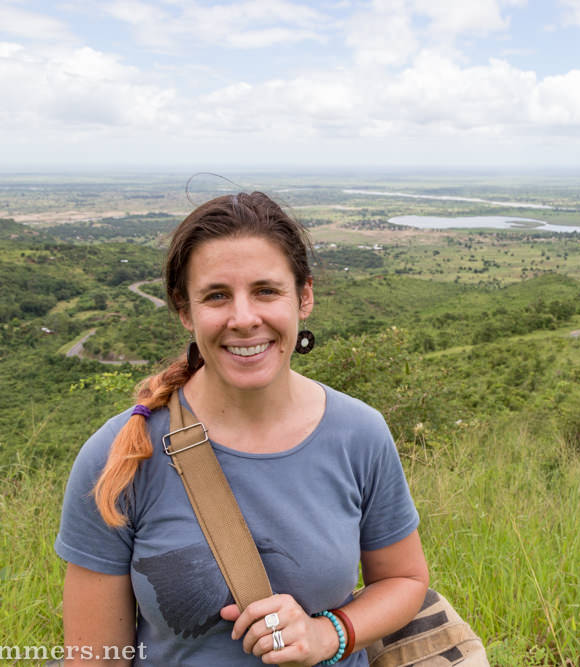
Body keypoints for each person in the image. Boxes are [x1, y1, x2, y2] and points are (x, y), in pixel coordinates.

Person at [55, 191, 429, 665]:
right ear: (185, 310)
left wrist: (329, 634)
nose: (244, 318)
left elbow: (404, 580)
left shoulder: (359, 434)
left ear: (304, 297)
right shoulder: (120, 456)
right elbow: (96, 657)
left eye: (266, 291)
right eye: (216, 296)